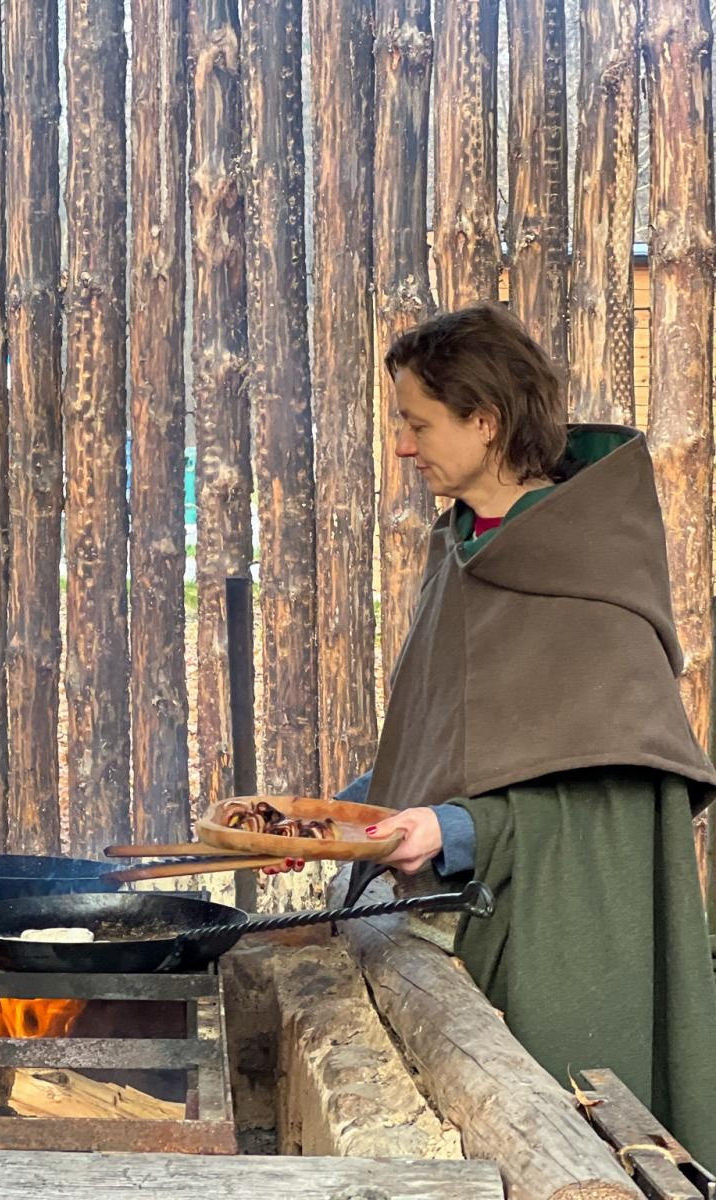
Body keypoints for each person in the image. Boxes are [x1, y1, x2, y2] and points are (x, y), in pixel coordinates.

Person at [344, 301, 716, 1160]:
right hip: (451, 937)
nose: (403, 446)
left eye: (417, 423)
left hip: (559, 949)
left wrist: (456, 828)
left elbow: (612, 818)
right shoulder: (466, 550)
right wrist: (340, 820)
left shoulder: (589, 580)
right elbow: (448, 744)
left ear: (485, 420)